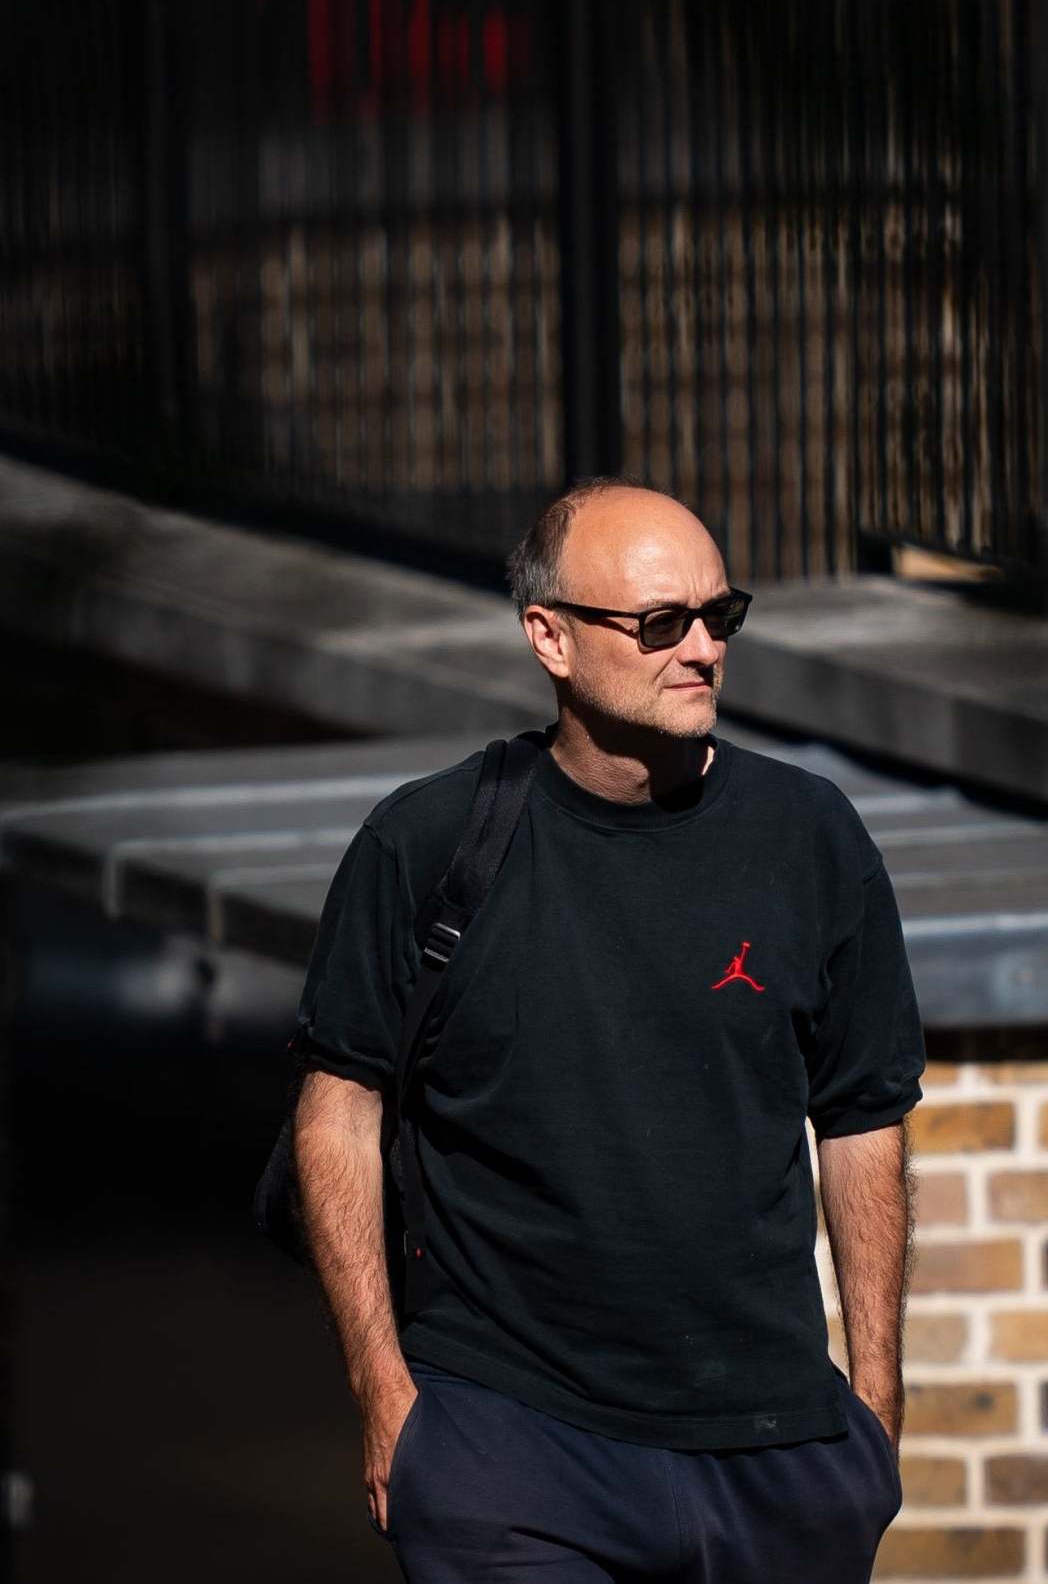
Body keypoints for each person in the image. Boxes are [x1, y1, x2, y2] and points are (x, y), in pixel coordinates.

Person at [291, 480, 923, 1582]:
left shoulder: (809, 835)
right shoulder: (429, 841)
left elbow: (863, 1114)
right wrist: (384, 1390)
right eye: (658, 623)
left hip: (776, 1444)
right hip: (512, 1441)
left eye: (718, 617)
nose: (701, 651)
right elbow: (337, 1108)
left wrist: (874, 1409)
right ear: (549, 635)